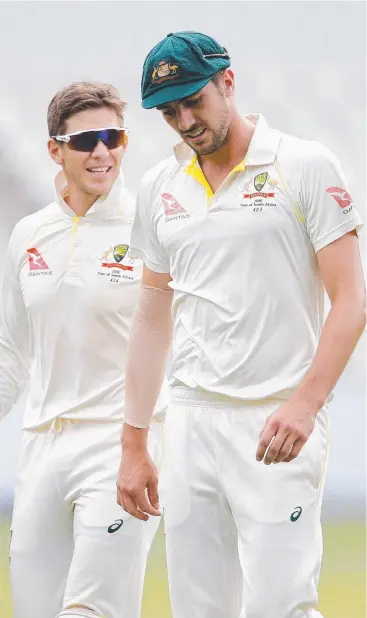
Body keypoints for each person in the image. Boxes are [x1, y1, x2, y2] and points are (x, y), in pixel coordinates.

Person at [116, 31, 366, 618]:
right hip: (190, 423)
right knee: (199, 609)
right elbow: (152, 317)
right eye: (169, 111)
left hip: (275, 422)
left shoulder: (303, 165)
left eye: (192, 100)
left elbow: (351, 298)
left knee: (282, 606)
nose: (183, 120)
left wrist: (306, 403)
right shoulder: (160, 186)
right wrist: (134, 443)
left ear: (227, 82)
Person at [1, 81, 168, 618]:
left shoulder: (151, 224)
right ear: (56, 149)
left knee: (92, 610)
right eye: (86, 140)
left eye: (113, 137)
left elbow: (183, 336)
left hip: (120, 446)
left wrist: (147, 443)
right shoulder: (28, 234)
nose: (102, 152)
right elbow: (11, 351)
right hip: (43, 449)